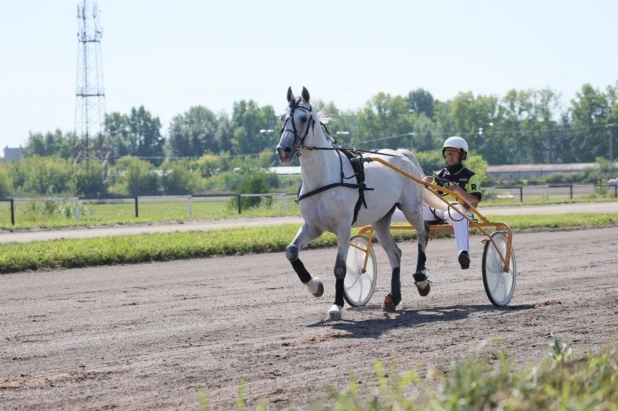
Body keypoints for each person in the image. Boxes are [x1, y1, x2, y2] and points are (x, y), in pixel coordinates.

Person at [423, 136, 482, 269]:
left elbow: (474, 203)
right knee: (408, 210)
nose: (450, 156)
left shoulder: (470, 176)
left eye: (454, 153)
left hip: (458, 212)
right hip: (437, 211)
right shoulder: (438, 175)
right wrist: (423, 185)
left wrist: (457, 190)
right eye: (447, 153)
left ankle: (463, 253)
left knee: (458, 212)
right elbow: (429, 199)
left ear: (462, 155)